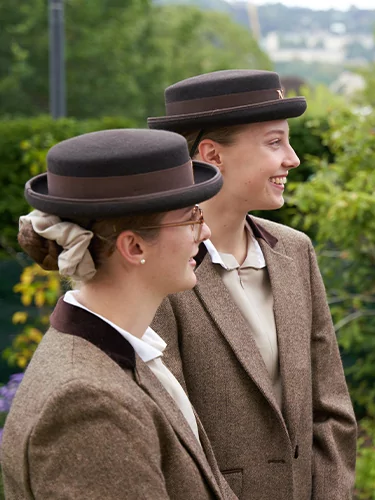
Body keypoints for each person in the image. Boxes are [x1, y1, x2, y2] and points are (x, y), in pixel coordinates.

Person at [147, 69, 357, 500]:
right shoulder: (158, 267)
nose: (293, 158)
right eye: (274, 142)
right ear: (212, 155)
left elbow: (331, 413)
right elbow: (174, 437)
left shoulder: (295, 251)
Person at [0, 129, 235, 499]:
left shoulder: (126, 353)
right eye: (191, 217)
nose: (205, 232)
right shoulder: (86, 402)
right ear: (134, 245)